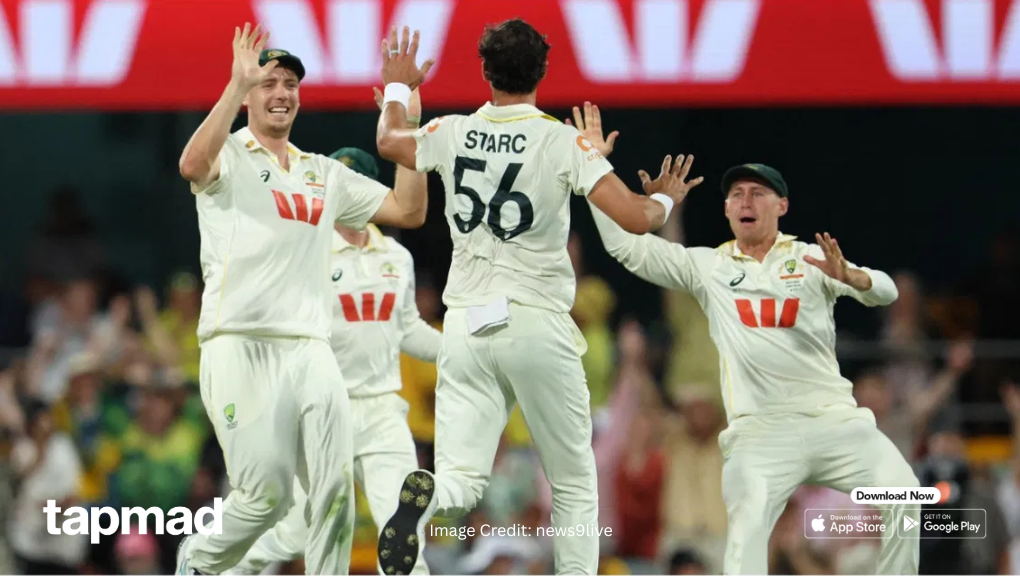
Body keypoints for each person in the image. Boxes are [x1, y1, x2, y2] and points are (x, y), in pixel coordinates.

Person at [370, 19, 701, 575]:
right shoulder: (559, 139)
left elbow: (388, 141)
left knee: (463, 479)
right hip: (534, 321)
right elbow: (636, 217)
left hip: (467, 325)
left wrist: (400, 89)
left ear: (485, 72)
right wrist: (665, 200)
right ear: (542, 72)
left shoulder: (451, 130)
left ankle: (424, 499)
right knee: (573, 480)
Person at [576, 116, 920, 573]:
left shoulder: (813, 259)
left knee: (906, 497)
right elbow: (627, 249)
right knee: (747, 533)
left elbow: (887, 291)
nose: (746, 200)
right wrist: (593, 165)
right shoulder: (710, 268)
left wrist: (852, 277)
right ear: (725, 211)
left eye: (758, 192)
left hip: (835, 423)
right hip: (759, 435)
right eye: (736, 193)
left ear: (782, 206)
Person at [174, 23, 430, 575]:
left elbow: (409, 211)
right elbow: (191, 166)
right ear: (248, 96)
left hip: (309, 349)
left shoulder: (324, 173)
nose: (281, 92)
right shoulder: (231, 153)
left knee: (333, 487)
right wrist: (233, 86)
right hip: (237, 345)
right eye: (268, 82)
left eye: (290, 82)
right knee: (264, 497)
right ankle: (198, 559)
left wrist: (407, 120)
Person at [224, 148, 441, 576]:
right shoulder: (305, 252)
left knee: (403, 532)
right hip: (324, 410)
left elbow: (408, 328)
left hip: (383, 407)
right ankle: (222, 568)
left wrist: (459, 351)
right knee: (296, 532)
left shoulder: (397, 258)